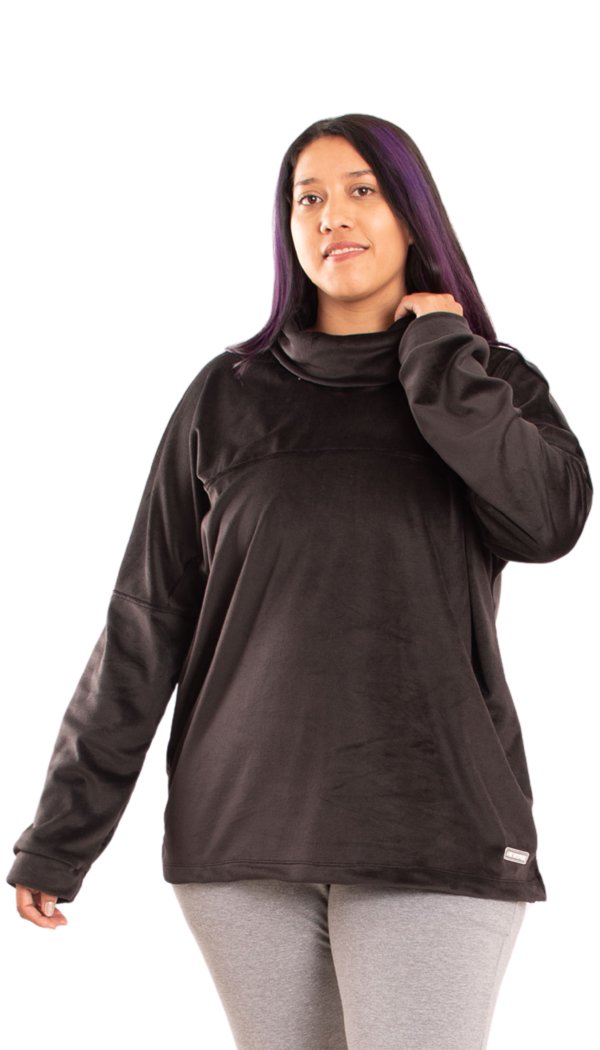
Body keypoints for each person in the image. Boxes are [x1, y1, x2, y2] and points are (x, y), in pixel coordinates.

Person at [7, 113, 593, 1049]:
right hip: (244, 835)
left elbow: (548, 522)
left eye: (362, 190)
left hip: (435, 822)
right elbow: (146, 621)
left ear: (413, 215)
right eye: (308, 197)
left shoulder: (489, 382)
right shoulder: (226, 395)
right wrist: (61, 835)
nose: (332, 216)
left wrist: (441, 354)